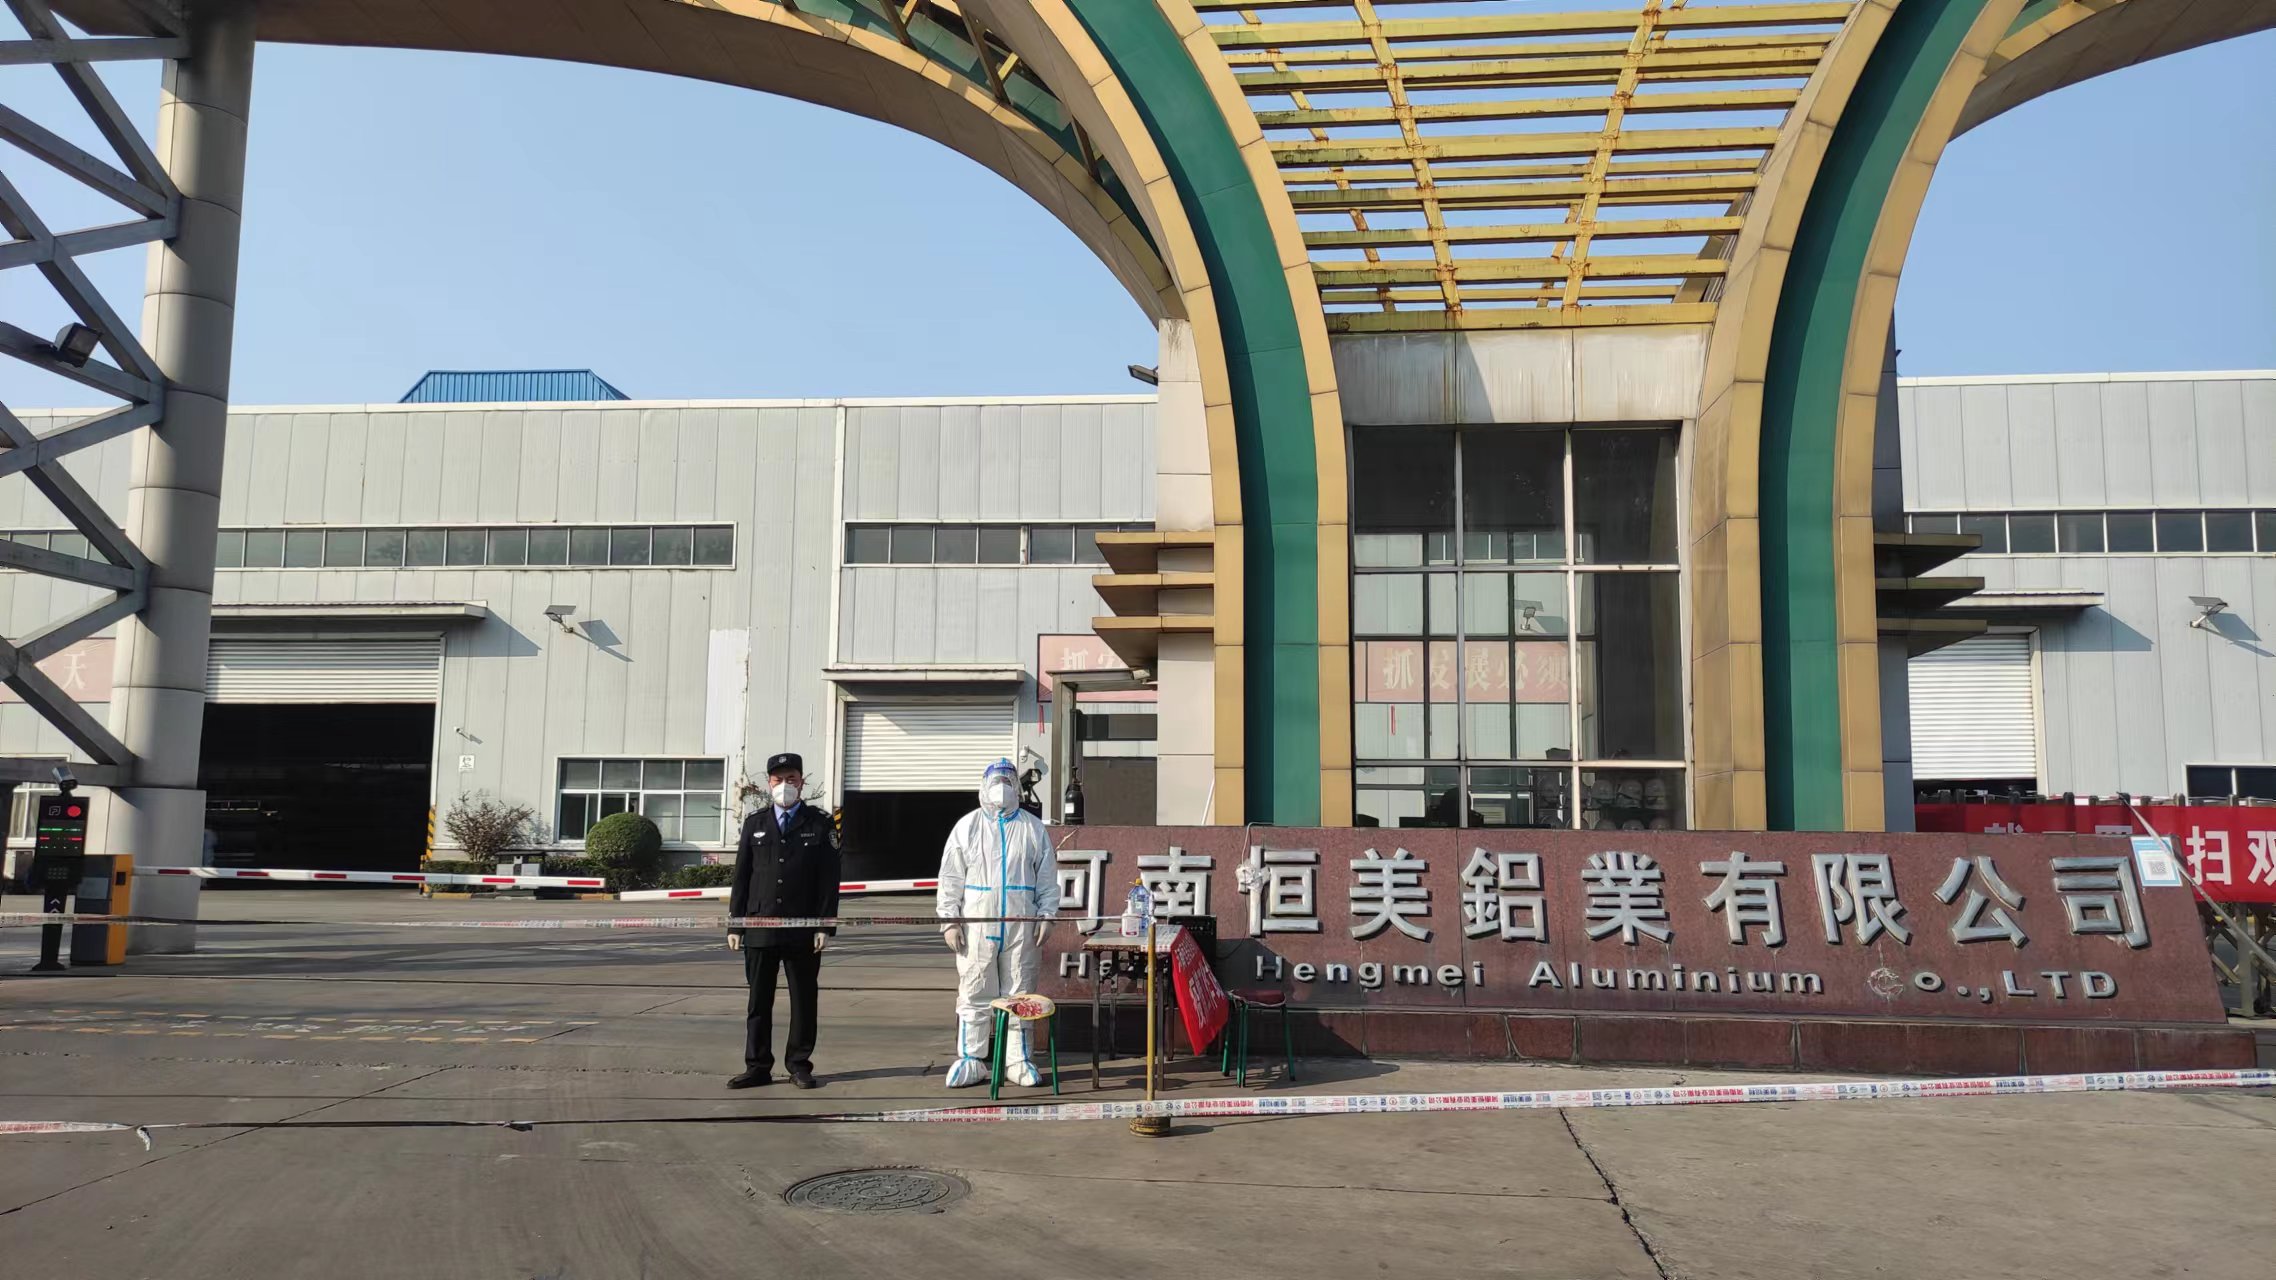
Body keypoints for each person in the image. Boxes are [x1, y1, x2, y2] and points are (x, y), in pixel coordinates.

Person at [936, 758, 1060, 1088]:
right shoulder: (968, 827)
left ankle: (1018, 1060)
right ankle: (971, 1058)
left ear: (1017, 787)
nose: (1002, 787)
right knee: (975, 990)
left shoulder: (1033, 828)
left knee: (1021, 992)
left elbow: (1047, 877)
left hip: (1022, 926)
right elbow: (950, 877)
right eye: (996, 780)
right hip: (977, 926)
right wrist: (950, 920)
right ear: (983, 785)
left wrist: (1047, 915)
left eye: (1008, 780)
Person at [726, 752, 839, 1090]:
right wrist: (736, 924)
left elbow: (829, 879)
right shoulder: (755, 823)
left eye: (791, 779)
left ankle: (799, 1065)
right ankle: (757, 1066)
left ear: (802, 782)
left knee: (804, 1001)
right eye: (778, 779)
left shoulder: (820, 823)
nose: (785, 785)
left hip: (802, 929)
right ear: (768, 783)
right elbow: (741, 877)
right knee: (759, 1001)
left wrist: (824, 924)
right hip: (760, 926)